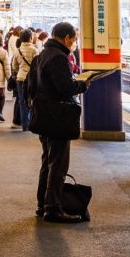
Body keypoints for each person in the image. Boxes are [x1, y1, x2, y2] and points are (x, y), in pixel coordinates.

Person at [30, 22, 92, 224]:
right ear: (66, 38)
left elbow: (31, 86)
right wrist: (82, 85)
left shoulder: (42, 55)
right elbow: (65, 87)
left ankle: (43, 204)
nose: (73, 44)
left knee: (47, 161)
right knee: (58, 164)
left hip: (44, 116)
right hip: (58, 117)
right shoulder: (59, 57)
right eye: (73, 40)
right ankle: (53, 209)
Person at [10, 30, 38, 130]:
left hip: (20, 78)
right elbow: (37, 65)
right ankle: (31, 123)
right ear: (30, 38)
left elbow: (14, 66)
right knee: (32, 100)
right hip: (32, 79)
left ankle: (24, 126)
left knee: (22, 101)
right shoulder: (34, 50)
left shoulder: (17, 51)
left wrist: (21, 71)